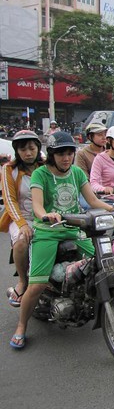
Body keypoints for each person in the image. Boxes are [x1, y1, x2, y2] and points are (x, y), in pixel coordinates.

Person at [9, 132, 114, 350]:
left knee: (105, 261)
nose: (66, 158)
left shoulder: (77, 173)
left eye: (70, 153)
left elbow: (92, 200)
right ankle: (21, 325)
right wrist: (46, 215)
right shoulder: (40, 174)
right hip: (48, 230)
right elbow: (37, 205)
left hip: (74, 228)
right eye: (61, 154)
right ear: (51, 154)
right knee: (38, 283)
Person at [1, 131, 44, 308]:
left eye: (32, 148)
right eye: (23, 149)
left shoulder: (46, 167)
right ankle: (22, 281)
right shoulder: (9, 170)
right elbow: (10, 201)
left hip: (44, 216)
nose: (28, 153)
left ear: (38, 149)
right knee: (21, 242)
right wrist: (22, 225)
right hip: (21, 217)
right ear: (17, 151)